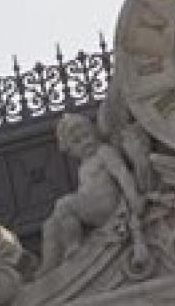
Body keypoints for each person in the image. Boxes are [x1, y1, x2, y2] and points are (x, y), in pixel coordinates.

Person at [41, 113, 146, 272]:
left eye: (86, 135)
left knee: (64, 204)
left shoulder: (103, 152)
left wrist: (134, 197)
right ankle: (49, 265)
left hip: (106, 206)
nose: (85, 142)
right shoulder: (83, 166)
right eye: (77, 141)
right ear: (70, 150)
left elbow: (122, 173)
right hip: (92, 206)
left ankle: (74, 247)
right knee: (50, 224)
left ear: (94, 132)